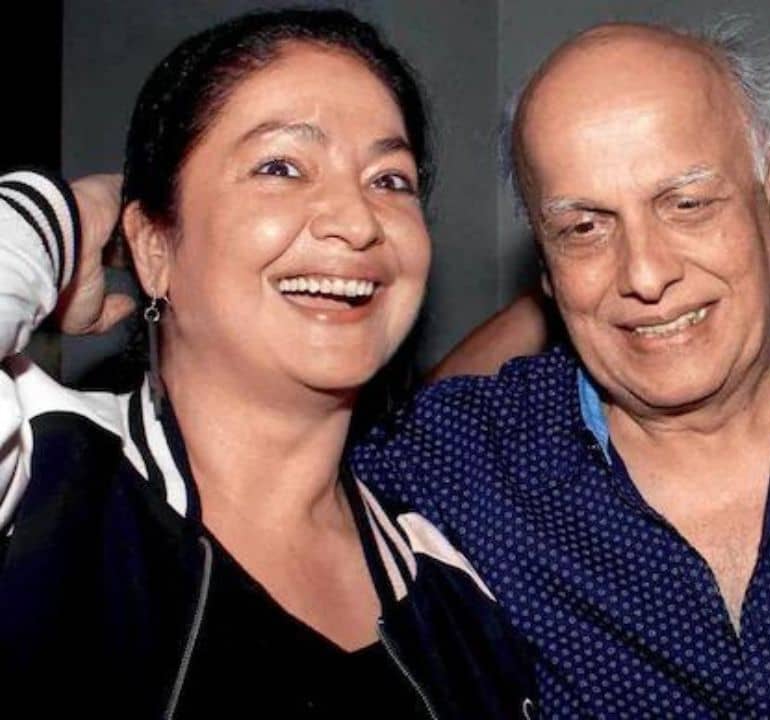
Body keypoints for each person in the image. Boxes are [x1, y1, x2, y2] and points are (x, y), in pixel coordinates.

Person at [351, 20, 770, 716]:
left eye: (687, 204)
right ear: (544, 263)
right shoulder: (460, 459)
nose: (646, 273)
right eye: (583, 229)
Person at [0, 9, 535, 717]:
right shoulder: (41, 473)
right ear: (155, 249)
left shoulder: (452, 589)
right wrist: (67, 212)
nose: (357, 221)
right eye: (280, 167)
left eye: (390, 180)